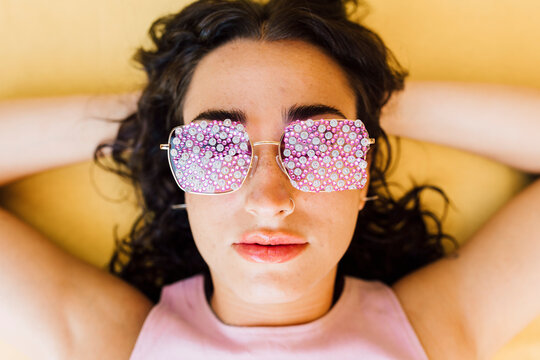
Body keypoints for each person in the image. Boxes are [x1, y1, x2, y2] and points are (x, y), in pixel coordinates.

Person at [0, 0, 539, 359]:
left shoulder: (432, 331)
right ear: (179, 179)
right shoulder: (120, 343)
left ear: (363, 176)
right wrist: (152, 115)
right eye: (213, 145)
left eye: (322, 145)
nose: (269, 200)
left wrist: (372, 107)